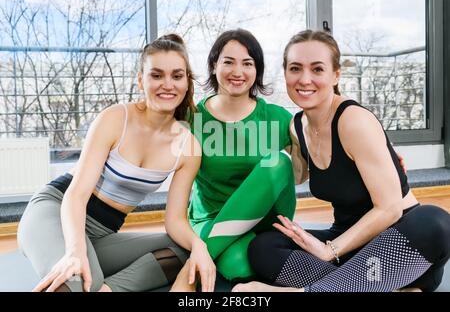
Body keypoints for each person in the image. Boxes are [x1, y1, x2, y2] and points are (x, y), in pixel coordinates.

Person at [232, 29, 450, 292]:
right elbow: (298, 174)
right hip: (350, 244)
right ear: (286, 73)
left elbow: (390, 209)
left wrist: (329, 250)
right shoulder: (297, 126)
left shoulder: (353, 120)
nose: (305, 79)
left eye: (317, 69)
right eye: (295, 68)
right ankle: (365, 287)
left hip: (403, 248)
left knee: (436, 221)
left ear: (336, 75)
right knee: (265, 245)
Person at [17, 34, 216, 292]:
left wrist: (200, 246)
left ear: (186, 82)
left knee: (182, 250)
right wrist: (75, 252)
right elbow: (76, 195)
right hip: (57, 211)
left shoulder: (188, 148)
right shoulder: (115, 118)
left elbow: (175, 221)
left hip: (102, 235)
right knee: (78, 280)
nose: (168, 84)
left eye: (177, 76)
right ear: (140, 80)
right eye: (156, 75)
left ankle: (108, 289)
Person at [171, 29, 297, 289]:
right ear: (214, 65)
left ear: (257, 70)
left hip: (268, 221)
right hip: (213, 219)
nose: (237, 72)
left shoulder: (278, 117)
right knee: (241, 265)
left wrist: (380, 149)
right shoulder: (192, 119)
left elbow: (321, 144)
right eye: (228, 62)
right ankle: (212, 247)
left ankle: (188, 272)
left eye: (248, 63)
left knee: (278, 162)